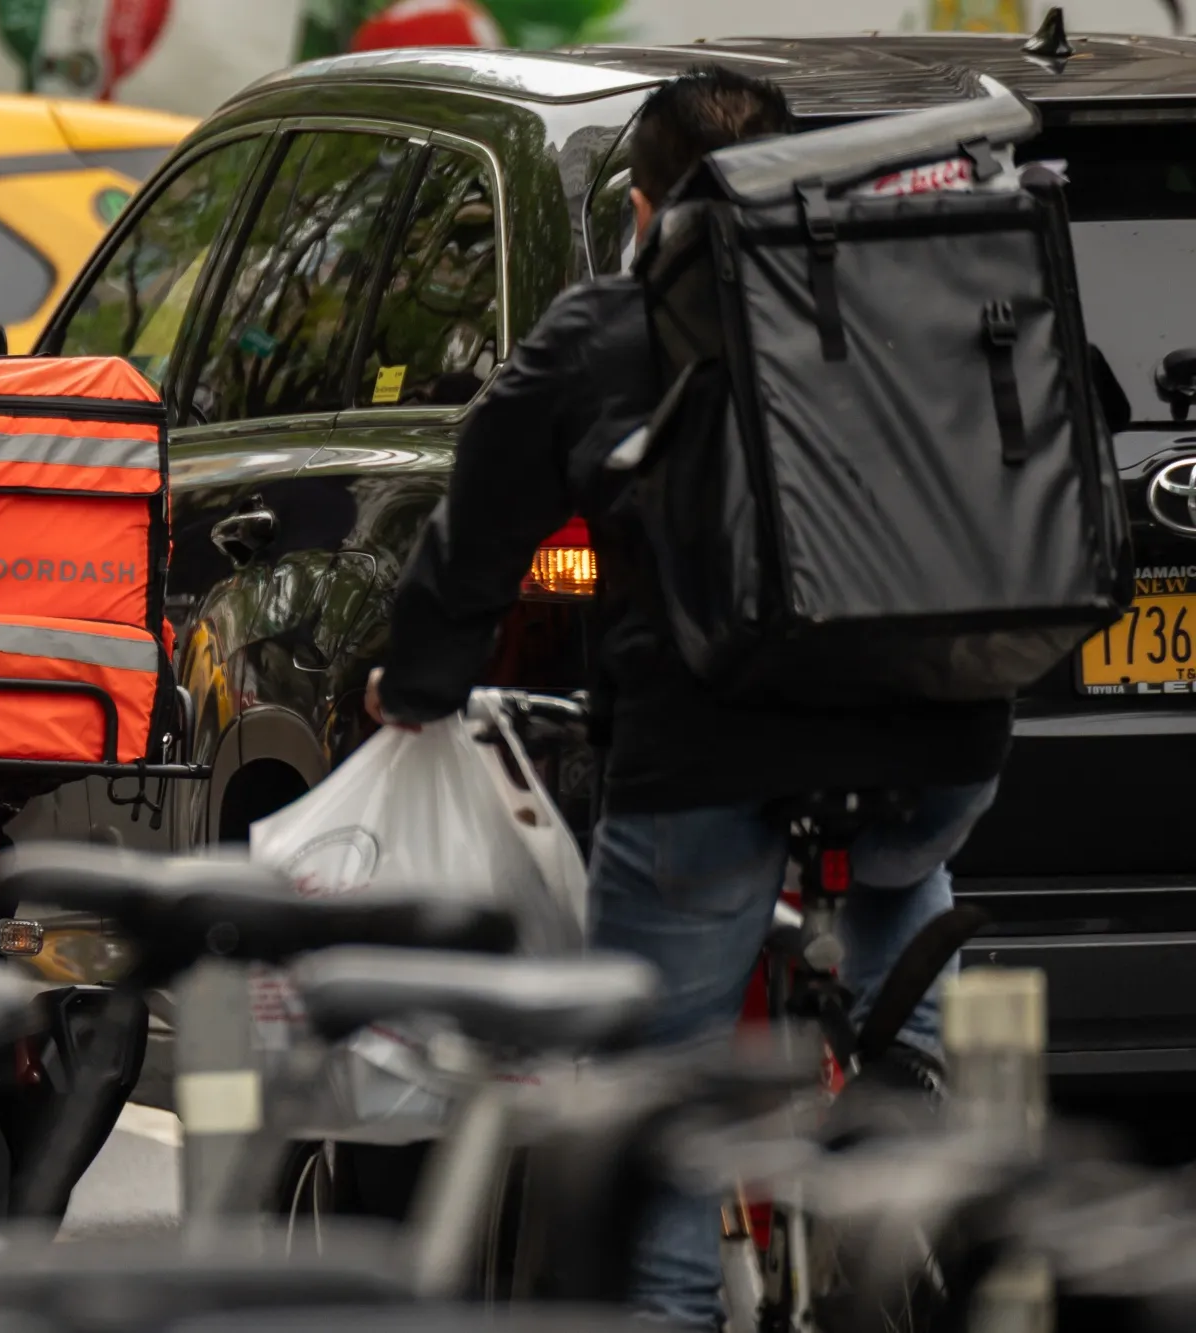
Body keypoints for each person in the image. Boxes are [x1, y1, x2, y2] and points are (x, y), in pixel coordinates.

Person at [365, 67, 1012, 1328]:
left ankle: (669, 1304)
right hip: (939, 744)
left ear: (643, 205)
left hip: (704, 755)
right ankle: (908, 1117)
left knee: (653, 1109)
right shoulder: (902, 299)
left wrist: (425, 678)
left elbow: (481, 518)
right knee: (891, 877)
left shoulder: (606, 328)